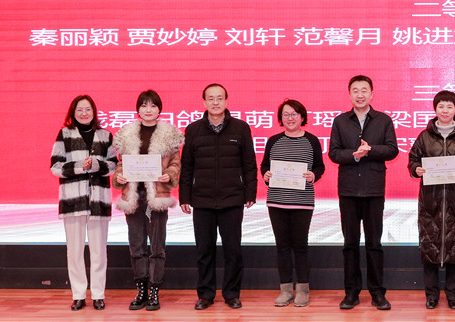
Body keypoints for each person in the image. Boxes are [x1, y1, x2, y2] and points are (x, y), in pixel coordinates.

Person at [179, 83, 257, 310]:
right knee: (204, 250)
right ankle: (205, 294)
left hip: (232, 199)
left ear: (226, 101)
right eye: (211, 98)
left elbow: (249, 164)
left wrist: (250, 192)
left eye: (219, 98)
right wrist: (185, 197)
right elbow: (187, 166)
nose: (215, 102)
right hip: (202, 199)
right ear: (204, 102)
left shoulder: (241, 128)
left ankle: (231, 294)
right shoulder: (193, 129)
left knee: (233, 250)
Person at [328, 75, 399, 310]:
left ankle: (377, 293)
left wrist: (369, 151)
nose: (360, 95)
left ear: (372, 94)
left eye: (364, 90)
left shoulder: (383, 120)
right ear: (349, 94)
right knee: (350, 243)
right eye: (355, 91)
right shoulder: (340, 121)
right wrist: (354, 155)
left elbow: (392, 150)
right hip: (348, 190)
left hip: (373, 190)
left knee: (374, 243)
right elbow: (333, 153)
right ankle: (351, 292)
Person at [407, 90, 455, 310]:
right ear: (435, 109)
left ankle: (452, 295)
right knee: (429, 249)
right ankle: (431, 295)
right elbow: (412, 160)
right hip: (430, 202)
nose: (445, 110)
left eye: (450, 106)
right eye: (441, 106)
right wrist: (416, 169)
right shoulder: (424, 136)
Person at [112, 89, 183, 311]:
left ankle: (154, 291)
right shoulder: (127, 134)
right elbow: (121, 164)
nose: (148, 109)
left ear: (159, 109)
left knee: (157, 248)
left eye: (153, 105)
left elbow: (175, 164)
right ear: (138, 109)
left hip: (157, 196)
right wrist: (119, 176)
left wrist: (169, 175)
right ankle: (141, 289)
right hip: (134, 195)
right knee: (136, 247)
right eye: (144, 105)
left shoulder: (169, 135)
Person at [50, 94, 117, 311]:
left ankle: (98, 294)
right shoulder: (65, 134)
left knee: (99, 251)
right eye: (79, 109)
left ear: (94, 112)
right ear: (73, 112)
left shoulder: (105, 135)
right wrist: (81, 167)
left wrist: (96, 165)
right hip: (72, 200)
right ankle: (78, 295)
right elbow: (55, 167)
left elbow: (114, 165)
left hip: (99, 201)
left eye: (88, 109)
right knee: (74, 251)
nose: (84, 113)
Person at [259, 99, 326, 308]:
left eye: (294, 114)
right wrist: (266, 175)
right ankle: (286, 291)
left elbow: (320, 167)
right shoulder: (273, 141)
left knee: (300, 246)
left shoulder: (312, 140)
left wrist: (313, 175)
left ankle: (303, 290)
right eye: (286, 114)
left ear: (302, 117)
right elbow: (264, 166)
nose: (290, 118)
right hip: (277, 202)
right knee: (282, 247)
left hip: (302, 202)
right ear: (281, 118)